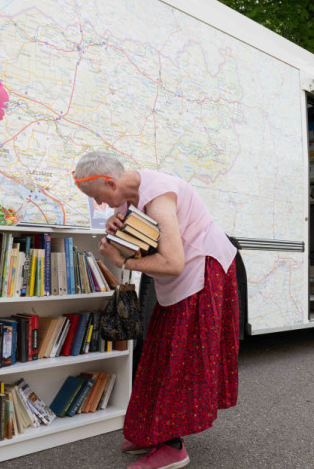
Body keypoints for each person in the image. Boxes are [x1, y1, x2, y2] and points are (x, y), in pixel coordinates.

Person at [72, 150, 238, 469]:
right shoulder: (129, 193)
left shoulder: (159, 195)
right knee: (160, 354)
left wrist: (123, 261)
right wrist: (114, 222)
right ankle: (152, 430)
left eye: (99, 197)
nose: (101, 205)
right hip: (183, 278)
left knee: (180, 359)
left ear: (110, 181)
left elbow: (173, 262)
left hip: (204, 272)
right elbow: (143, 233)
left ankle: (173, 447)